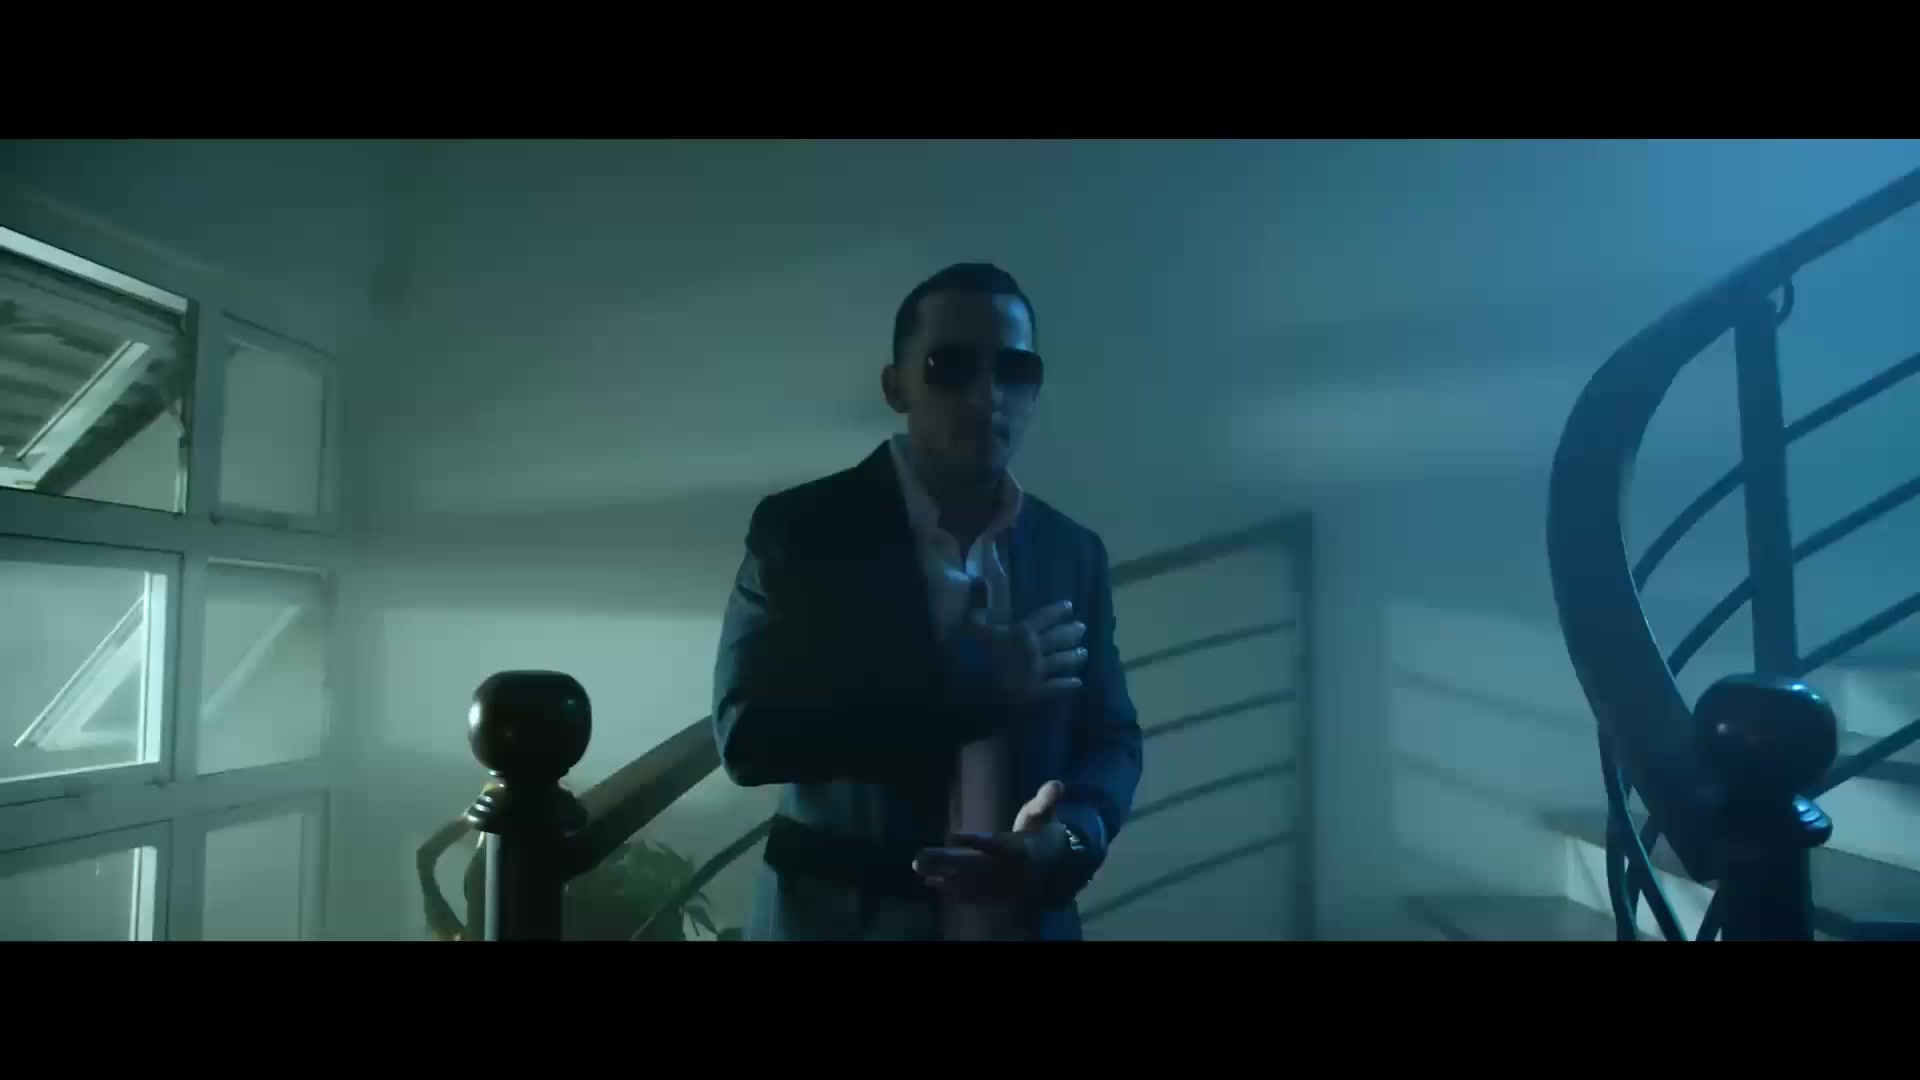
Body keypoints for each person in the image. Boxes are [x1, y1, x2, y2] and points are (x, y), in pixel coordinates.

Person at [711, 262, 1144, 941]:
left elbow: (1111, 738)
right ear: (896, 386)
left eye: (1015, 369)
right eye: (952, 365)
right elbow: (748, 736)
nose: (988, 393)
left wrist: (1068, 837)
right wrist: (970, 686)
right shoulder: (803, 531)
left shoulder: (1073, 552)